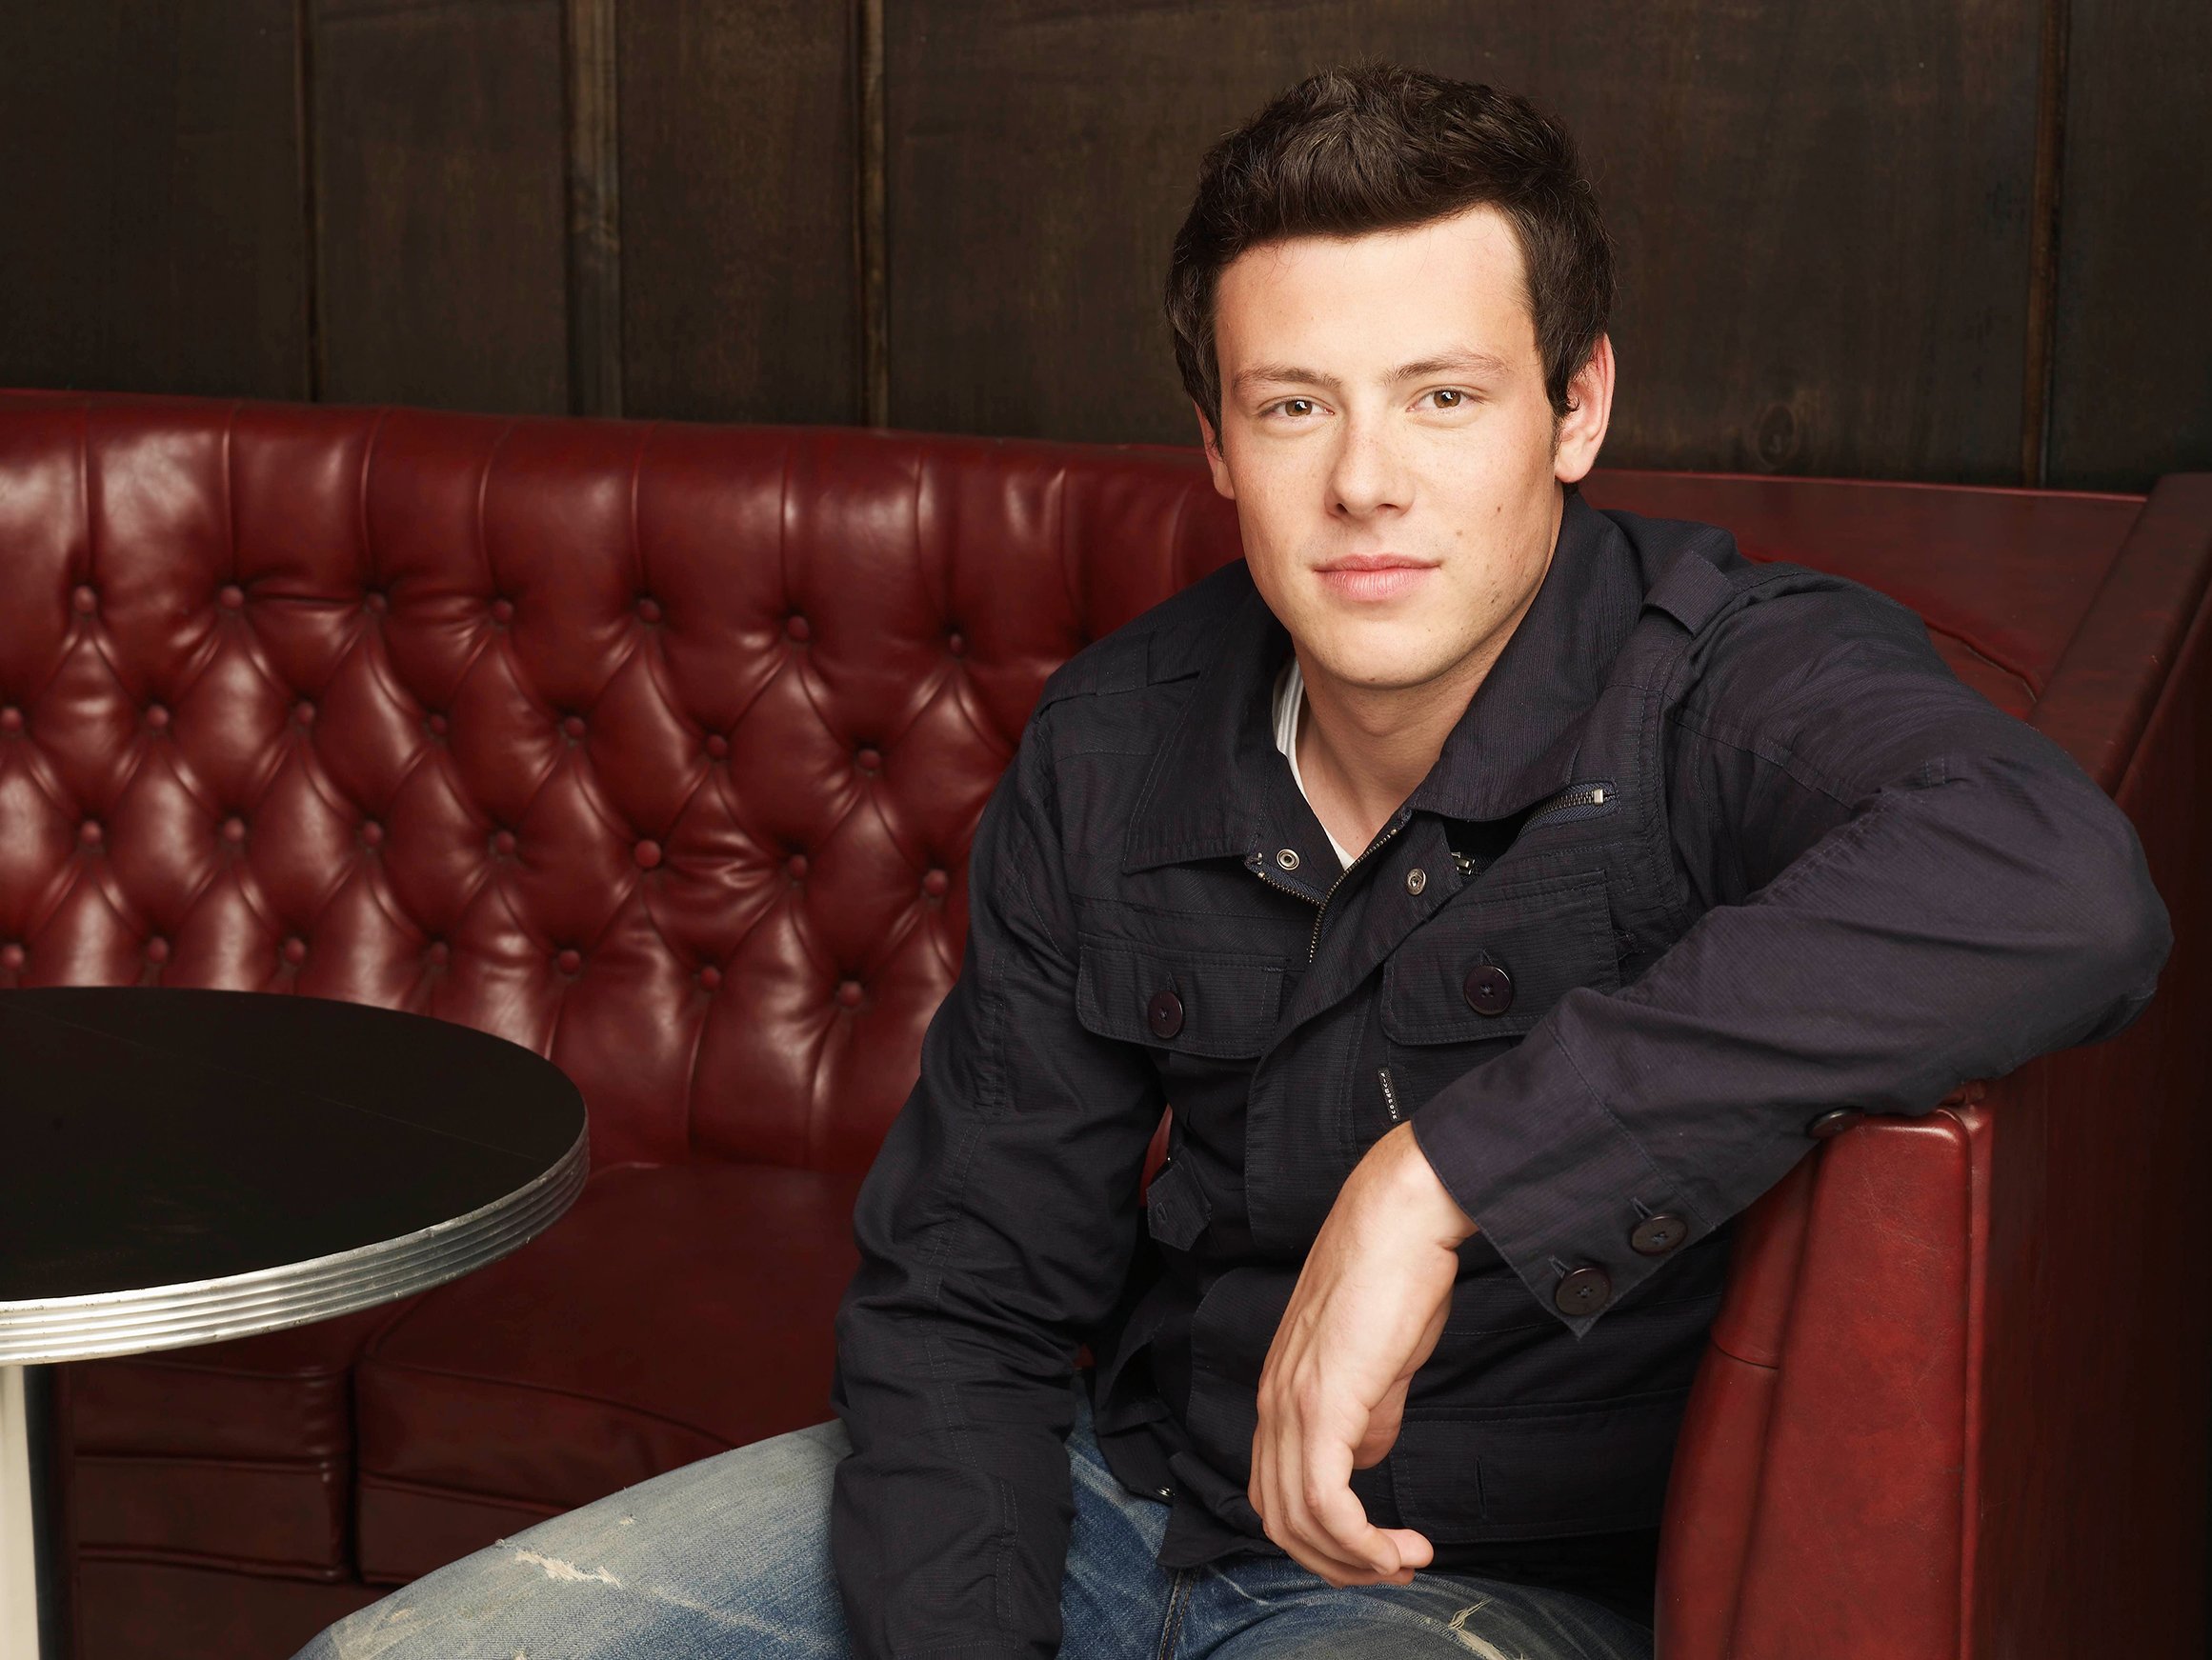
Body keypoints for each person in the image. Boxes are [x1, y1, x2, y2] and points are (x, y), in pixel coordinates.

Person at [298, 64, 2170, 1660]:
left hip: (1469, 1590)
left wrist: (1441, 1177)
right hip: (1122, 1497)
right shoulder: (1123, 734)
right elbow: (973, 1292)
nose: (1366, 479)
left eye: (1444, 395)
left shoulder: (1727, 679)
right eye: (1297, 405)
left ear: (1576, 407)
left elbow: (2054, 882)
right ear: (1216, 438)